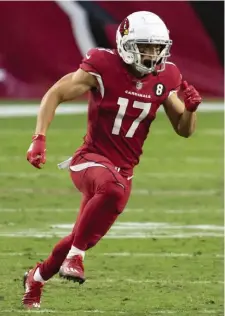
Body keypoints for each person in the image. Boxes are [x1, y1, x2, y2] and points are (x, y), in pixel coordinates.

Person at [23, 11, 202, 309]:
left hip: (124, 172)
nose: (153, 54)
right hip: (89, 160)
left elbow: (184, 131)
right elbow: (55, 93)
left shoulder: (167, 76)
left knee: (78, 237)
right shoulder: (103, 65)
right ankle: (77, 258)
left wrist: (192, 109)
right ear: (126, 44)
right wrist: (39, 138)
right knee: (108, 192)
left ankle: (36, 278)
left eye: (158, 48)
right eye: (146, 47)